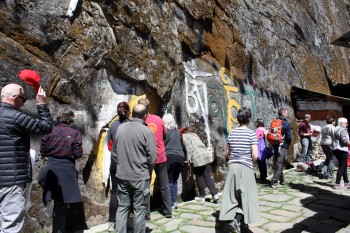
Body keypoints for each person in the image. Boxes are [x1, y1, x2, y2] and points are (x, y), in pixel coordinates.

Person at [0, 83, 52, 232]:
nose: (23, 103)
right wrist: (41, 104)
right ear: (15, 98)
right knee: (10, 225)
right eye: (23, 100)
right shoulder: (15, 116)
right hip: (12, 180)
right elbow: (46, 127)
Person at [113, 104, 157, 233]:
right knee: (139, 209)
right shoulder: (147, 131)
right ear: (145, 115)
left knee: (122, 207)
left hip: (122, 175)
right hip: (140, 176)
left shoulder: (120, 128)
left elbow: (116, 151)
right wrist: (147, 172)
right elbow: (152, 158)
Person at [39, 108, 84, 233]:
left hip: (51, 168)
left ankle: (50, 203)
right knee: (62, 206)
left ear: (59, 117)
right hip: (67, 170)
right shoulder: (75, 133)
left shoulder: (49, 131)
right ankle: (58, 228)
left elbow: (43, 151)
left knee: (51, 193)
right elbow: (78, 153)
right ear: (71, 119)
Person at [219, 107, 260, 233]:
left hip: (232, 167)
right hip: (245, 167)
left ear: (238, 119)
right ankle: (237, 220)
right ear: (249, 119)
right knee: (247, 197)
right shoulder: (251, 134)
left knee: (232, 196)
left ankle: (233, 219)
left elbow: (227, 152)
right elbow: (255, 155)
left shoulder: (232, 133)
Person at [138, 98, 172, 218]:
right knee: (164, 185)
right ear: (149, 106)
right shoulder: (158, 119)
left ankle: (146, 213)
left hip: (145, 158)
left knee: (145, 185)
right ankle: (168, 211)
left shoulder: (138, 122)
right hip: (160, 156)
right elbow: (165, 135)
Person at [106, 102, 130, 231]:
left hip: (115, 162)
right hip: (128, 163)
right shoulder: (131, 125)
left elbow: (110, 143)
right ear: (128, 111)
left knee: (114, 192)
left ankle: (111, 222)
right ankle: (126, 220)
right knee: (128, 192)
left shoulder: (113, 125)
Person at [181, 127, 219, 203]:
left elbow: (189, 149)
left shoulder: (184, 137)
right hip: (205, 154)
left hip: (197, 157)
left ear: (182, 133)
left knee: (199, 177)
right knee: (208, 176)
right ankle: (215, 195)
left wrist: (188, 161)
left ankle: (202, 196)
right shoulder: (194, 134)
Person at [162, 113, 185, 210]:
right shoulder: (177, 131)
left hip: (170, 157)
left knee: (169, 181)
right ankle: (175, 201)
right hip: (180, 157)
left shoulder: (165, 131)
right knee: (174, 180)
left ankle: (170, 202)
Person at [271, 107, 292, 188]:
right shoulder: (286, 123)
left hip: (275, 144)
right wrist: (287, 145)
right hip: (282, 145)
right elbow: (289, 137)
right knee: (279, 163)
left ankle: (282, 180)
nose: (287, 114)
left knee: (279, 162)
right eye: (286, 113)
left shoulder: (274, 122)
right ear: (283, 114)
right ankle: (274, 182)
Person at [332, 117, 350, 189]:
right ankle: (337, 183)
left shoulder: (335, 128)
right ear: (342, 123)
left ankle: (346, 182)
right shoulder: (342, 129)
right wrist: (348, 143)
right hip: (342, 149)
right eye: (346, 123)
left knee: (344, 165)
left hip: (335, 149)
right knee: (342, 167)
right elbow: (344, 140)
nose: (347, 125)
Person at [255, 118, 273, 183]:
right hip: (266, 148)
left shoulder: (258, 130)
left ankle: (262, 178)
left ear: (258, 123)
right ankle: (264, 176)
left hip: (260, 148)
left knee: (261, 163)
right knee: (263, 163)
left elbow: (256, 139)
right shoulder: (265, 129)